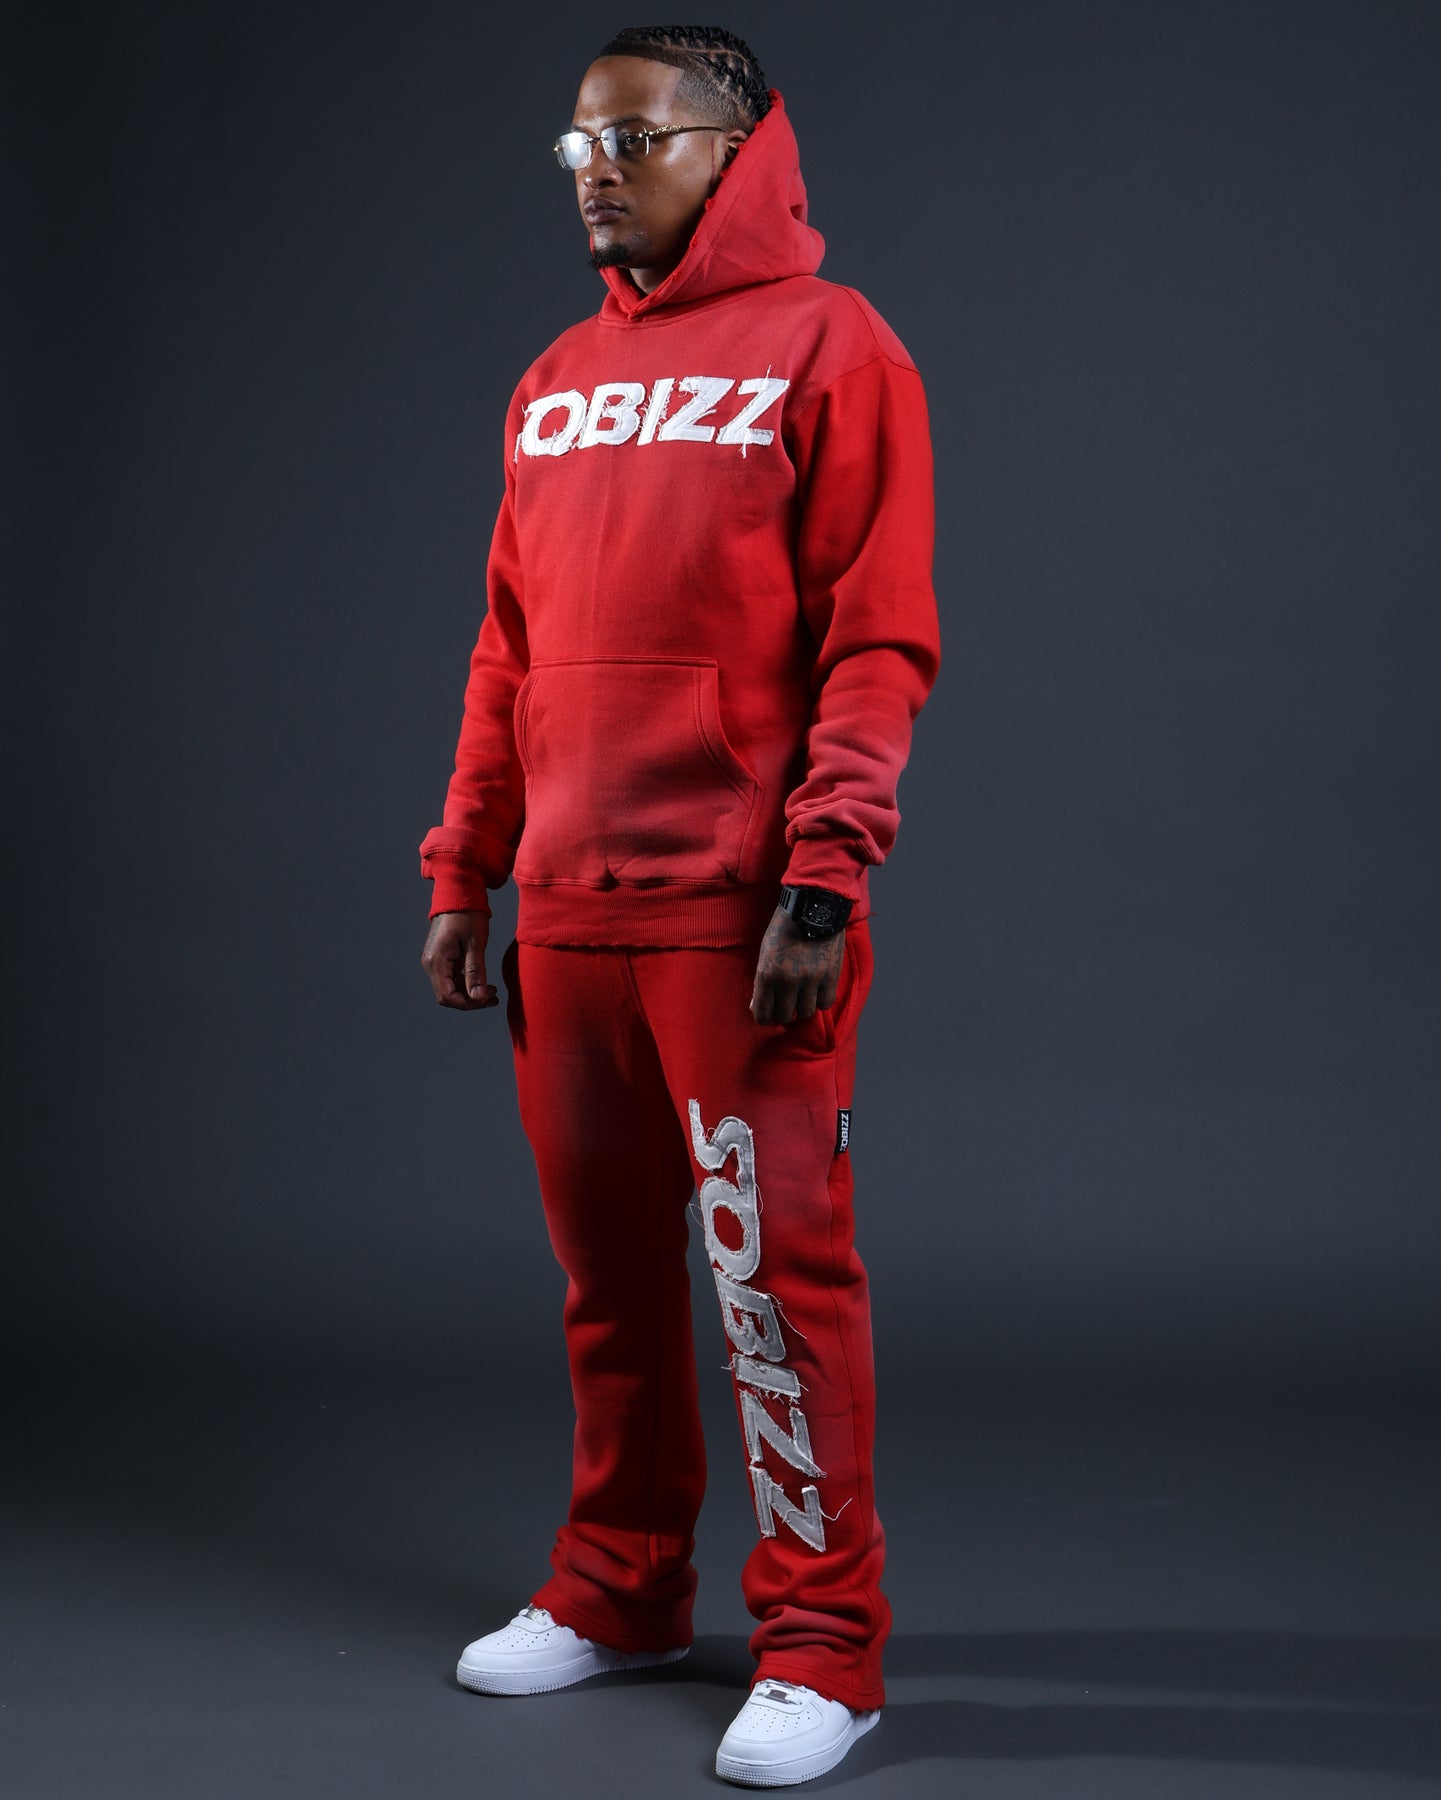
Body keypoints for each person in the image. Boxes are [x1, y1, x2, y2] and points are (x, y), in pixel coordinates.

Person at [418, 25, 939, 1788]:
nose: (596, 173)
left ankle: (823, 1646)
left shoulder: (833, 344)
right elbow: (507, 647)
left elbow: (877, 633)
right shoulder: (555, 377)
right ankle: (620, 1588)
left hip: (738, 912)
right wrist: (467, 862)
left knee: (772, 1288)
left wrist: (824, 871)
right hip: (567, 908)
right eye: (577, 146)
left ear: (737, 149)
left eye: (633, 140)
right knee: (611, 1287)